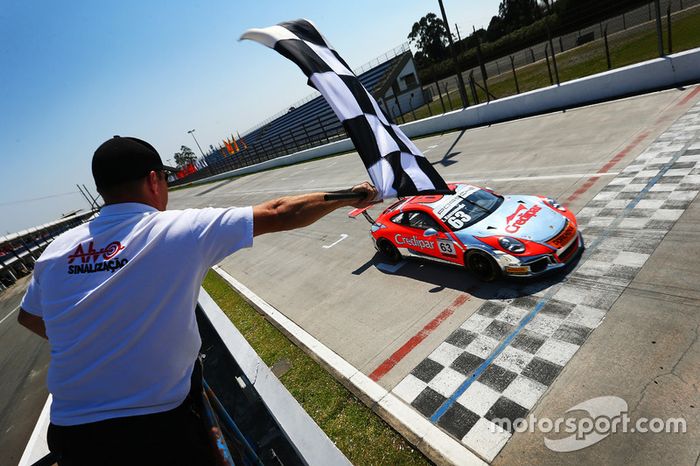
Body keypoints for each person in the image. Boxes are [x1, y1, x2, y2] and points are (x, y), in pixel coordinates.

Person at [17, 135, 378, 466]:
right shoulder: (177, 229)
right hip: (158, 426)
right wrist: (353, 195)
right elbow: (279, 212)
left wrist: (90, 338)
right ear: (154, 180)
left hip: (72, 432)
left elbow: (29, 317)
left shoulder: (55, 251)